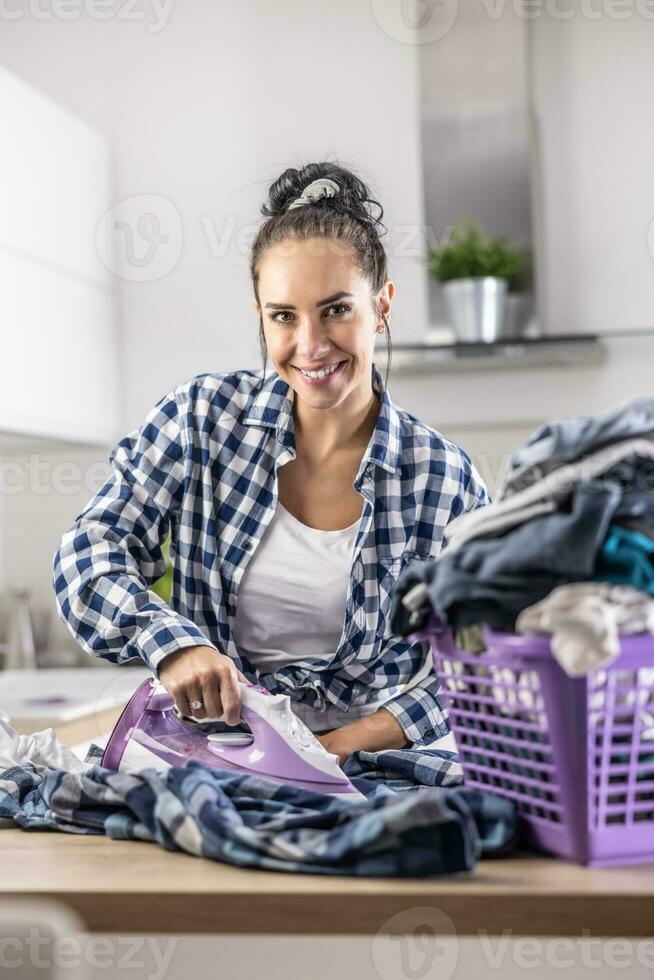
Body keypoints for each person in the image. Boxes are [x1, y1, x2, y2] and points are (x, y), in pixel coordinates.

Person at [52, 161, 490, 763]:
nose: (309, 345)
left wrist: (342, 746)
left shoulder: (445, 479)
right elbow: (88, 552)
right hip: (212, 761)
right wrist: (174, 645)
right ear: (260, 314)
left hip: (377, 770)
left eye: (336, 309)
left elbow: (484, 661)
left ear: (381, 306)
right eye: (284, 316)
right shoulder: (200, 420)